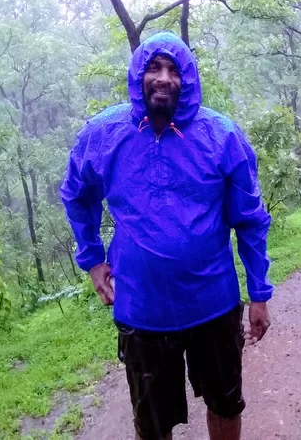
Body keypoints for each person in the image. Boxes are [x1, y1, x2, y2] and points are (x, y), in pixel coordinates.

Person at [60, 32, 273, 440]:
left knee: (225, 403)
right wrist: (92, 259)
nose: (163, 78)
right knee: (152, 424)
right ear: (138, 75)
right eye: (154, 68)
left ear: (188, 79)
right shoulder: (105, 134)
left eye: (174, 70)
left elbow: (249, 219)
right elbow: (77, 193)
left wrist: (259, 294)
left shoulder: (221, 136)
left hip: (214, 304)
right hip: (142, 311)